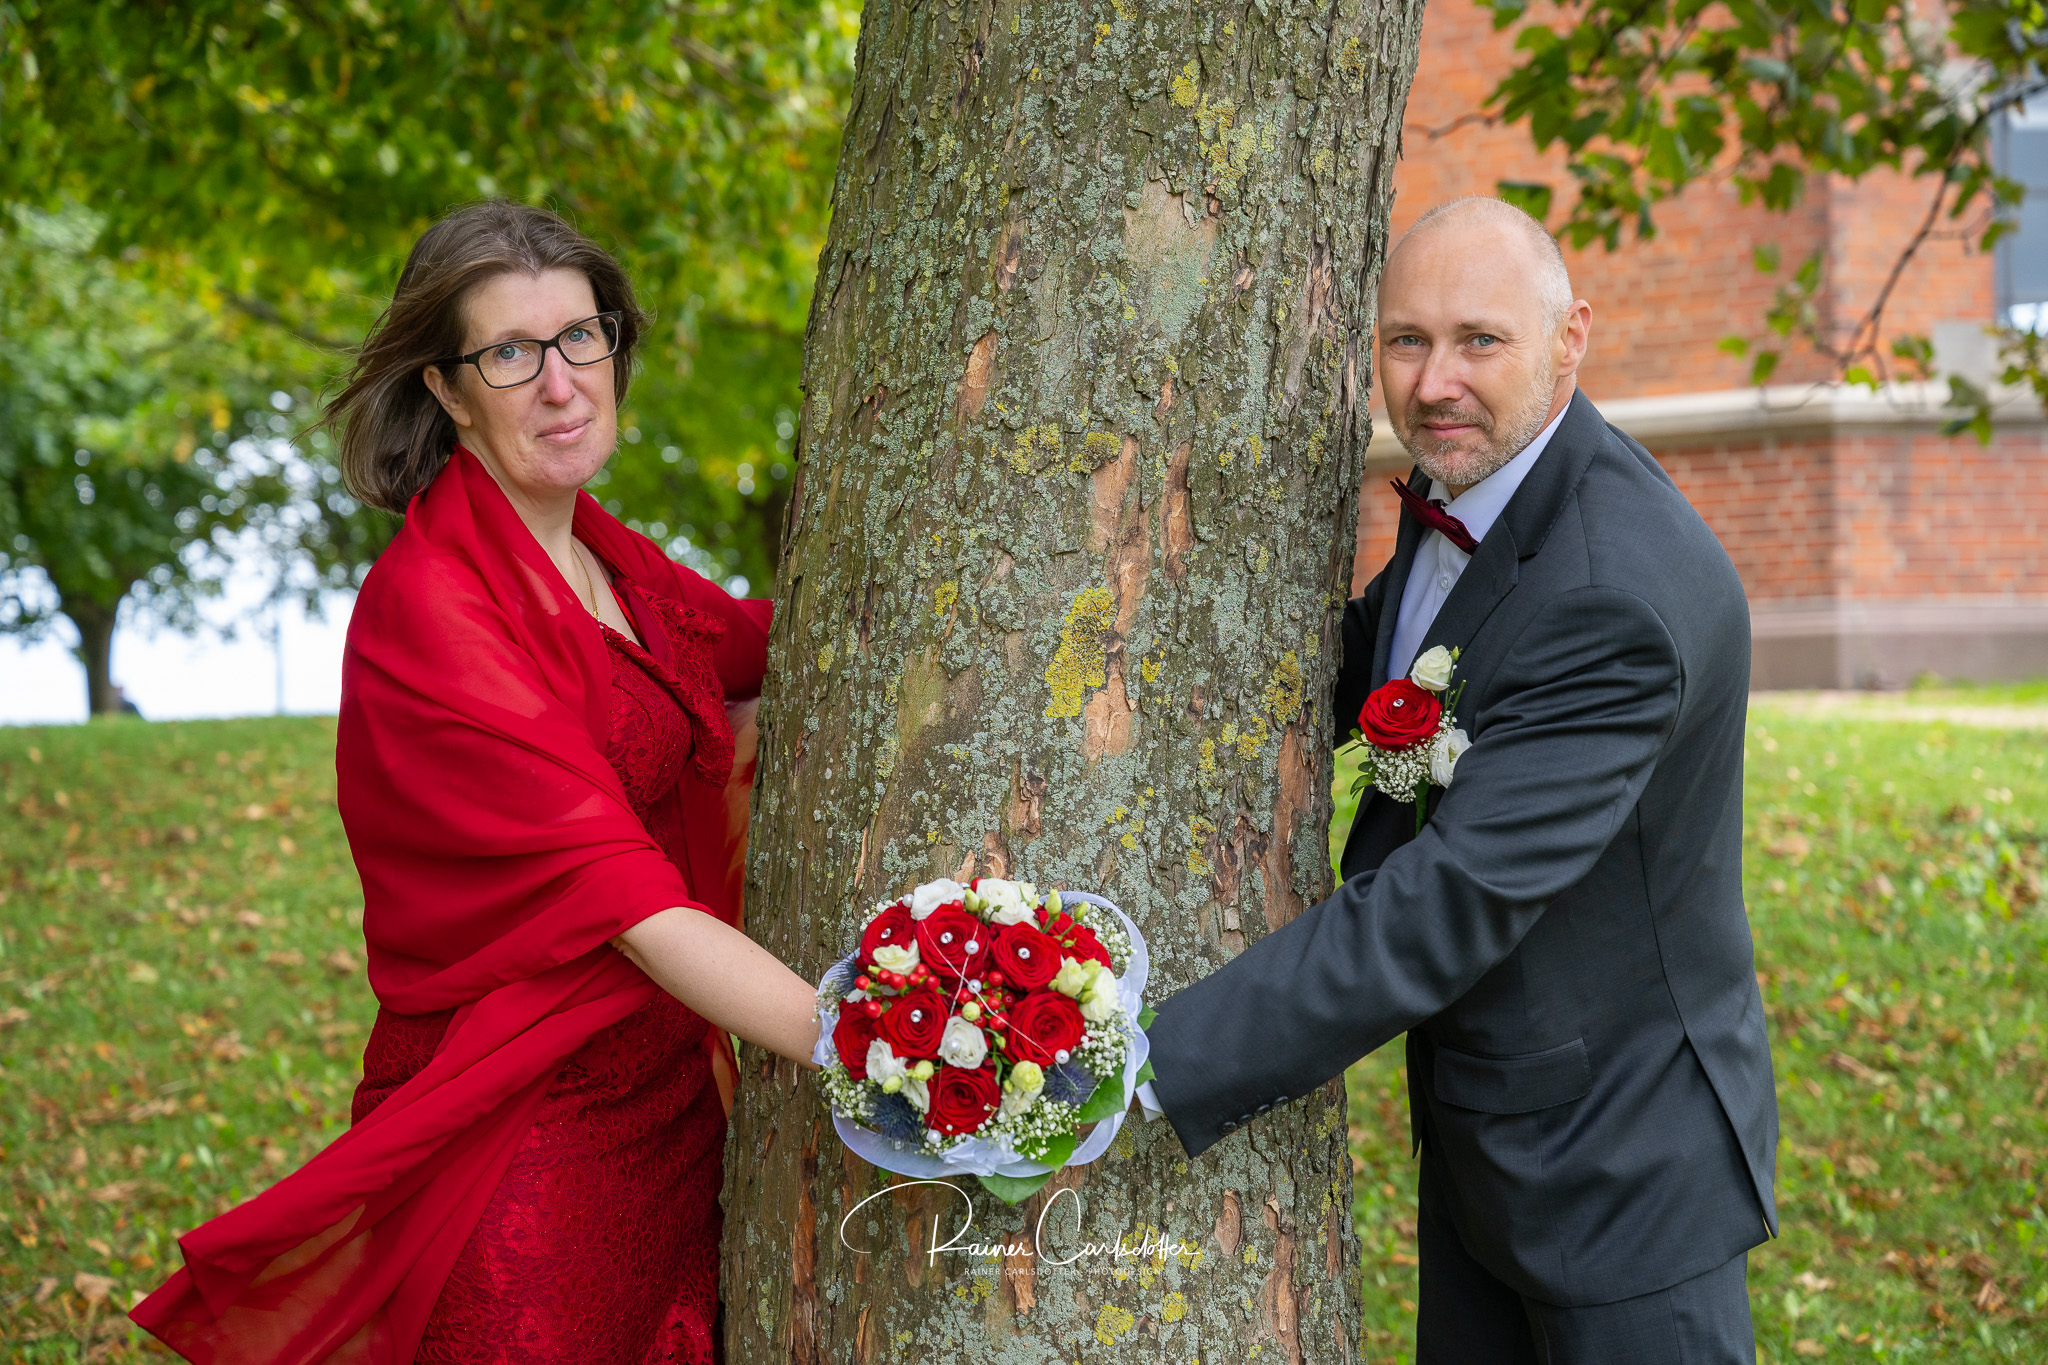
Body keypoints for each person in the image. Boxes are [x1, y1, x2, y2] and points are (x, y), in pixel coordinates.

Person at [130, 202, 820, 1365]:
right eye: (509, 353)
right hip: (526, 1139)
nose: (559, 383)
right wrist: (902, 1051)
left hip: (670, 1119)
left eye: (581, 338)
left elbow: (761, 648)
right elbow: (635, 907)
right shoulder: (431, 608)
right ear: (448, 391)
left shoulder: (605, 552)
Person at [1137, 197, 1777, 1362]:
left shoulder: (1607, 598)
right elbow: (1383, 661)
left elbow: (1450, 898)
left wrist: (1144, 1056)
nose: (1435, 382)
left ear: (1568, 337)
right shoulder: (1484, 486)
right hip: (1494, 1126)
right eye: (1405, 341)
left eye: (1480, 340)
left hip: (1621, 1167)